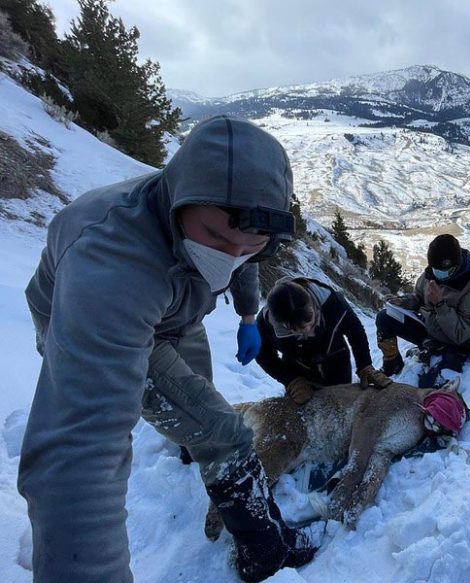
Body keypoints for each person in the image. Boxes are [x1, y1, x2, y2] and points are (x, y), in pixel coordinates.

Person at [20, 116, 315, 583]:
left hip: (176, 311)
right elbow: (78, 453)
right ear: (178, 199)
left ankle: (190, 446)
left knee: (199, 401)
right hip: (101, 320)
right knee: (222, 430)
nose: (232, 253)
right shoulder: (112, 265)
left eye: (252, 243)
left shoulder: (223, 224)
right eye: (217, 239)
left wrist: (246, 315)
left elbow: (243, 256)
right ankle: (264, 550)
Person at [375, 234, 470, 388]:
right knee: (385, 317)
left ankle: (438, 358)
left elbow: (462, 335)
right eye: (434, 268)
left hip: (454, 344)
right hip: (429, 328)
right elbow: (419, 298)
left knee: (428, 385)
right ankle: (392, 364)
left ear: (454, 265)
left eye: (441, 270)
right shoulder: (432, 272)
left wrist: (440, 304)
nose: (436, 273)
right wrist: (404, 301)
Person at [256, 277, 392, 404]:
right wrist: (291, 380)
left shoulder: (333, 303)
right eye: (297, 329)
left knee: (341, 406)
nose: (308, 329)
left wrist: (364, 366)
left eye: (309, 319)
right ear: (282, 324)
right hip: (297, 369)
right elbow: (262, 354)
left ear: (311, 304)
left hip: (336, 359)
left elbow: (355, 332)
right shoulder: (265, 323)